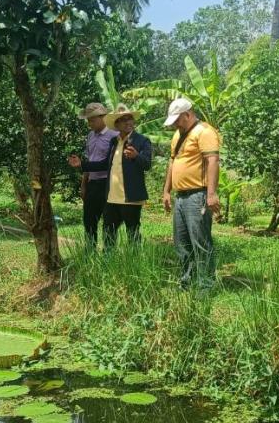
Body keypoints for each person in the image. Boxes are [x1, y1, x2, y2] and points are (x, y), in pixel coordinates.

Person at [68, 107, 153, 248]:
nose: (128, 122)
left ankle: (134, 265)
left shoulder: (142, 141)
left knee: (132, 233)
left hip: (130, 197)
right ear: (117, 124)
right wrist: (82, 165)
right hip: (112, 197)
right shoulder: (114, 141)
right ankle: (108, 264)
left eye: (129, 118)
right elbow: (105, 164)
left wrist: (136, 156)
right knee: (109, 233)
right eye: (123, 120)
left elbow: (147, 164)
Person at [160, 97, 220, 291]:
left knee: (200, 242)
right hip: (181, 196)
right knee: (182, 243)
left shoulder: (205, 132)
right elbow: (172, 163)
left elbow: (213, 161)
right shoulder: (178, 135)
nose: (176, 124)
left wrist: (211, 194)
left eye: (178, 120)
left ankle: (206, 286)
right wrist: (166, 190)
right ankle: (186, 282)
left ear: (188, 114)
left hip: (198, 195)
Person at [74, 102, 117, 250]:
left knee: (109, 221)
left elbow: (111, 164)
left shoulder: (114, 135)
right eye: (88, 120)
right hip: (93, 183)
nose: (89, 123)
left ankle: (109, 252)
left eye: (92, 120)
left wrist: (82, 165)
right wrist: (84, 185)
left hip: (108, 184)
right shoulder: (90, 136)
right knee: (89, 219)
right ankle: (90, 250)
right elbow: (89, 160)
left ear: (103, 117)